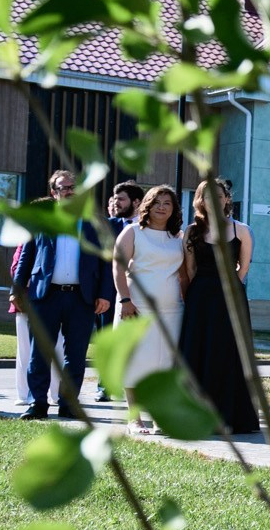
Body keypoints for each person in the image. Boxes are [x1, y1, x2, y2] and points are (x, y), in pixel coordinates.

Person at [9, 169, 115, 419]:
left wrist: (105, 294)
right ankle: (37, 404)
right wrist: (16, 290)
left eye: (74, 187)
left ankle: (68, 405)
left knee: (75, 355)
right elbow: (26, 257)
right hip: (45, 296)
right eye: (64, 187)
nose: (70, 191)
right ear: (53, 193)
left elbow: (106, 261)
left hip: (82, 298)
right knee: (39, 353)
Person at [176, 179, 258, 435]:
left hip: (231, 297)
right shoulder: (192, 231)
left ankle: (230, 416)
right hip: (200, 297)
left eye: (219, 195)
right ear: (200, 200)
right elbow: (190, 269)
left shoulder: (240, 230)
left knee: (228, 353)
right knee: (197, 351)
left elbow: (243, 268)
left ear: (226, 199)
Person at [112, 185, 186, 433]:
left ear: (174, 209)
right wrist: (125, 300)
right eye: (156, 202)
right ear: (147, 205)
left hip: (172, 311)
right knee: (135, 361)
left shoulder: (178, 237)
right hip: (137, 308)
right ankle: (134, 419)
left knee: (164, 366)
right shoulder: (133, 232)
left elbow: (184, 275)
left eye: (167, 203)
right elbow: (118, 268)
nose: (161, 207)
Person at [92, 180, 143, 402]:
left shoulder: (148, 227)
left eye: (121, 199)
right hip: (109, 294)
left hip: (141, 293)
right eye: (115, 199)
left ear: (136, 202)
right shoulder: (108, 226)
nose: (116, 203)